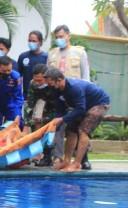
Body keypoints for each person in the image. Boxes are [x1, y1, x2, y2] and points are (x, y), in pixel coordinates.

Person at [43, 69, 110, 172]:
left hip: (99, 103)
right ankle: (66, 161)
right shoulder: (56, 90)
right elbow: (60, 110)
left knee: (83, 130)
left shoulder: (75, 87)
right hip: (83, 106)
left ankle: (77, 164)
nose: (49, 86)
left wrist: (62, 119)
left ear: (59, 80)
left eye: (50, 84)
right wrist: (56, 128)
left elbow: (80, 109)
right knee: (71, 130)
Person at [47, 24, 91, 169]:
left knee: (80, 127)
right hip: (59, 95)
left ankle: (83, 158)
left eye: (61, 36)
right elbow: (48, 75)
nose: (59, 39)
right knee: (58, 123)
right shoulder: (52, 54)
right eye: (56, 37)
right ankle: (58, 157)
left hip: (76, 94)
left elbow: (85, 76)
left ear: (68, 36)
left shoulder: (79, 53)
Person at [23, 64, 57, 166]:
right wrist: (25, 126)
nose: (37, 83)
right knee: (36, 120)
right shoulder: (33, 84)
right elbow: (29, 103)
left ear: (47, 78)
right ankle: (37, 153)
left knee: (52, 126)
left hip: (56, 105)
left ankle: (51, 156)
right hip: (41, 101)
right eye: (35, 80)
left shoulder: (54, 83)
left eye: (40, 80)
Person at [17, 30, 48, 100]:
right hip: (27, 94)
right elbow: (18, 75)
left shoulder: (46, 57)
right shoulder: (23, 56)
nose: (31, 43)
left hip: (43, 93)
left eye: (34, 41)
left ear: (40, 42)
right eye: (29, 41)